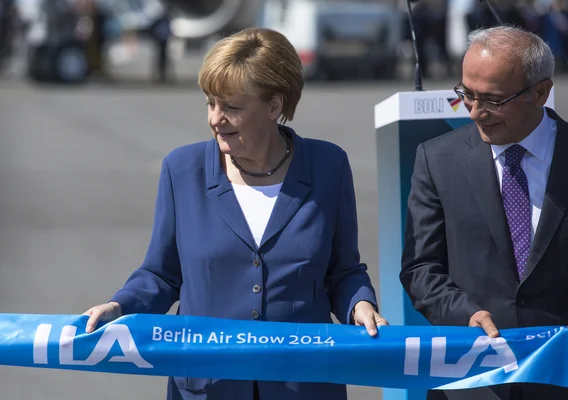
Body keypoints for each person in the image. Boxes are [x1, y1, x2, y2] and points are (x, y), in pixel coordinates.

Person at [84, 27, 388, 400]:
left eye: (231, 107)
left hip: (303, 386)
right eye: (211, 104)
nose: (215, 119)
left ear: (275, 106)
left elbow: (343, 271)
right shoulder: (181, 170)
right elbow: (161, 275)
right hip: (207, 387)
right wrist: (120, 305)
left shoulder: (329, 166)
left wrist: (360, 304)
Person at [400, 25, 568, 400]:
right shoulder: (437, 159)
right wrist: (465, 315)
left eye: (492, 100)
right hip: (473, 381)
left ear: (541, 92)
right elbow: (420, 269)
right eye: (466, 95)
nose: (475, 113)